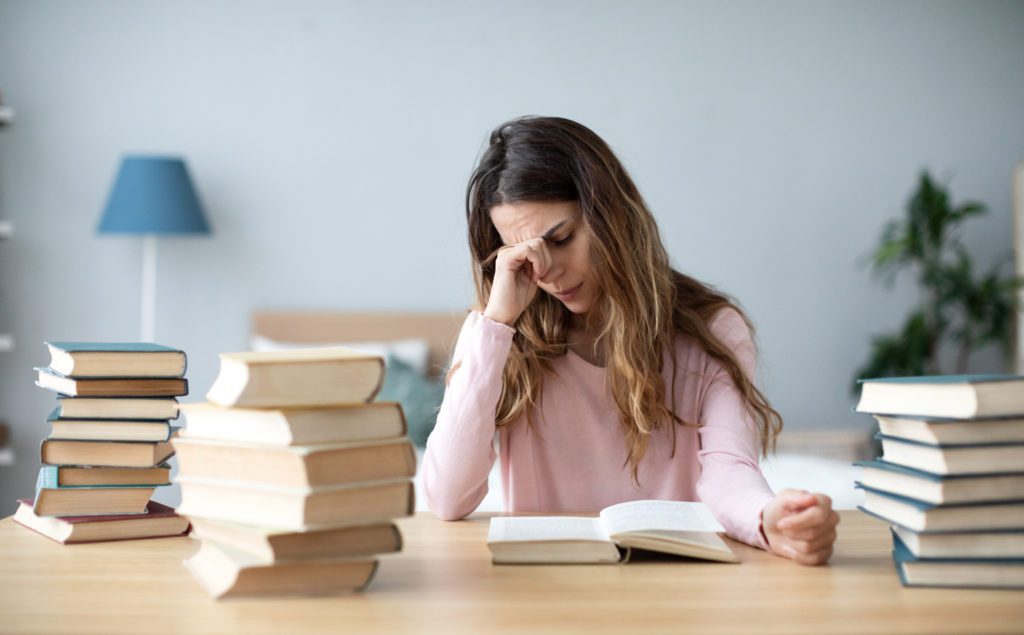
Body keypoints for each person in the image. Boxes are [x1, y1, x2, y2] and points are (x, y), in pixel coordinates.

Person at [422, 116, 839, 565]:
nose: (545, 272)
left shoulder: (712, 328)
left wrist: (769, 517)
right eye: (520, 257)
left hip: (673, 583)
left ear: (611, 216)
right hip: (541, 588)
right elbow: (447, 498)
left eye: (560, 239)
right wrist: (496, 323)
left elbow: (728, 470)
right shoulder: (499, 337)